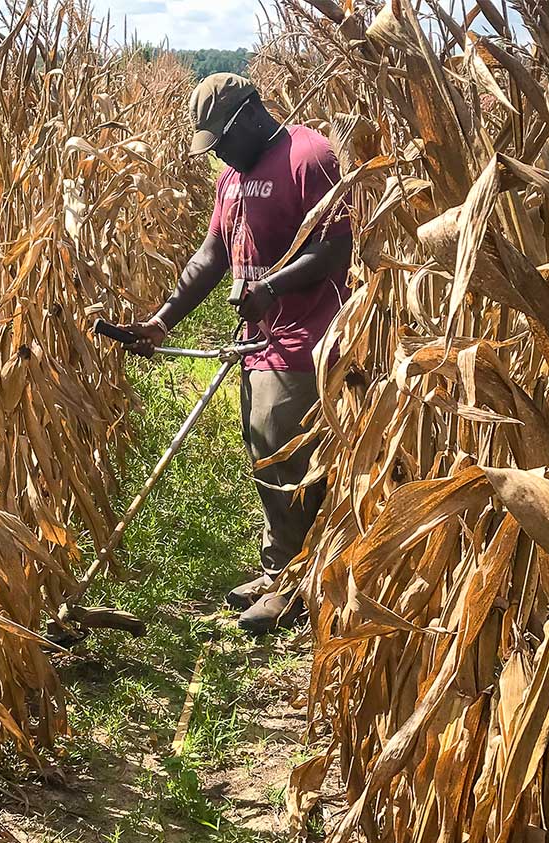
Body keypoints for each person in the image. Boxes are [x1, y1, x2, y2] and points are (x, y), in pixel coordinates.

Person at [122, 73, 351, 634]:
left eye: (221, 140)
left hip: (307, 340)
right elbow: (211, 255)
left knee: (287, 459)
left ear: (252, 114)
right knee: (265, 456)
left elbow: (334, 248)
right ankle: (280, 568)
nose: (218, 154)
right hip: (257, 343)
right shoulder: (232, 177)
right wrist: (161, 320)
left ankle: (297, 586)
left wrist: (270, 287)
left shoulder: (309, 156)